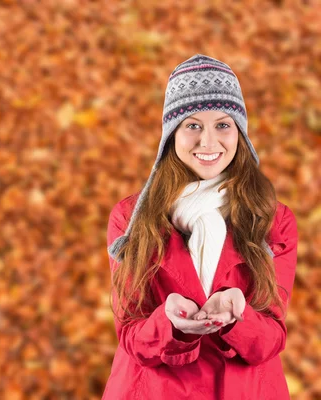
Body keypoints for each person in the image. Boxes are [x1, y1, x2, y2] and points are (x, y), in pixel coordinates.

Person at [101, 54, 298, 399]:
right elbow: (130, 335)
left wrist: (240, 318)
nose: (208, 143)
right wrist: (169, 323)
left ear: (240, 132)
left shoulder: (272, 219)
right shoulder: (132, 217)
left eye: (223, 125)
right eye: (193, 125)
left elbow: (272, 338)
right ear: (171, 134)